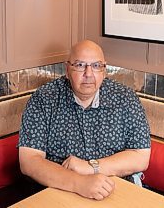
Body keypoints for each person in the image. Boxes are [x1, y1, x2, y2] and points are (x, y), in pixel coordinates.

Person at [18, 40, 151, 201]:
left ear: (104, 70)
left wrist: (90, 167)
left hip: (116, 190)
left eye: (96, 66)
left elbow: (141, 157)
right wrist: (80, 183)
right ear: (67, 70)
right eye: (80, 65)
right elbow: (29, 161)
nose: (88, 74)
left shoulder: (126, 99)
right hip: (59, 192)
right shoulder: (44, 99)